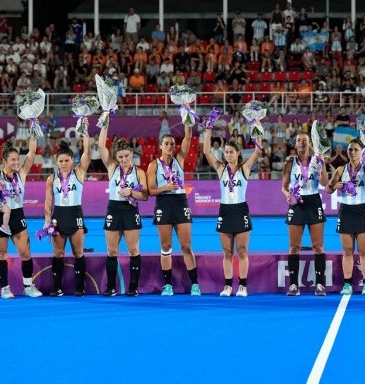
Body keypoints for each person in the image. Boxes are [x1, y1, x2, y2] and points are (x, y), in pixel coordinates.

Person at [203, 129, 262, 297]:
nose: (228, 155)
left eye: (231, 152)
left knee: (242, 250)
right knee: (227, 252)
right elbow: (206, 151)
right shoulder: (221, 169)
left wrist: (256, 125)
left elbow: (258, 149)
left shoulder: (245, 168)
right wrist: (208, 131)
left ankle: (243, 286)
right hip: (225, 211)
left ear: (238, 153)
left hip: (241, 210)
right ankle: (228, 286)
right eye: (226, 152)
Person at [0, 137, 42, 298]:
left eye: (17, 159)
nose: (16, 162)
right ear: (4, 161)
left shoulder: (21, 173)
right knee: (2, 253)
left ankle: (28, 286)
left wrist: (33, 132)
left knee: (25, 253)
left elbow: (31, 152)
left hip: (17, 215)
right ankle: (4, 288)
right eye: (13, 159)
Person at [147, 125, 201, 296]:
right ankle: (168, 285)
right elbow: (151, 190)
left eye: (172, 143)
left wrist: (186, 118)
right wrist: (166, 187)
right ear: (160, 146)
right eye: (166, 144)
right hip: (163, 203)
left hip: (180, 202)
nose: (170, 146)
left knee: (186, 246)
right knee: (166, 246)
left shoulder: (180, 159)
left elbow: (188, 136)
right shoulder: (153, 166)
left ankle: (195, 284)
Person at [325, 139, 365, 296]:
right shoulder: (340, 170)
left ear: (361, 152)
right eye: (350, 149)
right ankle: (347, 284)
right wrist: (333, 186)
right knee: (347, 250)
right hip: (345, 211)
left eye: (356, 150)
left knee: (364, 250)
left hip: (362, 211)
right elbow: (328, 189)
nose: (352, 152)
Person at [99, 122, 149, 297]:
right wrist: (105, 123)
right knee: (112, 251)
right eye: (120, 157)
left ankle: (133, 287)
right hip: (113, 208)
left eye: (126, 156)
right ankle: (111, 287)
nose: (124, 160)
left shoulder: (139, 172)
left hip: (130, 210)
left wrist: (132, 192)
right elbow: (100, 146)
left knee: (133, 250)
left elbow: (145, 196)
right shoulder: (112, 167)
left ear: (131, 154)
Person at [282, 132, 329, 296]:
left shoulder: (317, 160)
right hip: (296, 203)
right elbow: (284, 186)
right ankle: (294, 285)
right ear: (295, 144)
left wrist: (322, 164)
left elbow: (324, 182)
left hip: (313, 201)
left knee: (318, 246)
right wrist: (287, 194)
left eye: (305, 140)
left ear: (310, 144)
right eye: (299, 140)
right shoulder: (289, 162)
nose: (302, 142)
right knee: (294, 247)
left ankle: (320, 285)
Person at [42, 135, 91, 296]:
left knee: (78, 253)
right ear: (57, 162)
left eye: (67, 160)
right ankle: (57, 287)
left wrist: (85, 134)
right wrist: (47, 221)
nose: (64, 164)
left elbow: (87, 153)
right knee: (58, 253)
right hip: (59, 216)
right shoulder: (51, 179)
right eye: (61, 161)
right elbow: (48, 201)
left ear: (72, 160)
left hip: (75, 214)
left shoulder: (79, 173)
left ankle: (80, 287)